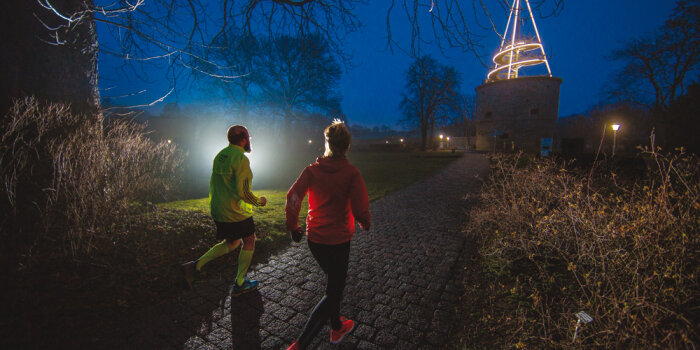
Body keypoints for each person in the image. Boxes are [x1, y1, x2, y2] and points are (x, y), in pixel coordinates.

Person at [285, 120, 371, 350]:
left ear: (327, 143)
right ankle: (300, 344)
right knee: (334, 290)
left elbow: (293, 197)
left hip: (315, 240)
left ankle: (336, 327)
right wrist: (365, 221)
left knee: (334, 283)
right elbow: (361, 206)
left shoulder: (311, 171)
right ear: (347, 146)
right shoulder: (351, 173)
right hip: (339, 241)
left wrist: (293, 226)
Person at [182, 125, 267, 296]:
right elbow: (242, 192)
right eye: (248, 137)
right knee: (249, 240)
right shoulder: (241, 159)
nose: (249, 140)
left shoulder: (220, 155)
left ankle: (194, 266)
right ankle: (240, 282)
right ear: (243, 138)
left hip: (218, 209)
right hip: (234, 211)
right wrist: (258, 201)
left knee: (232, 242)